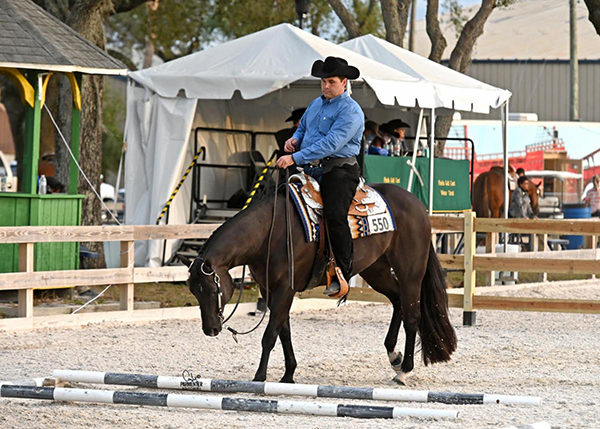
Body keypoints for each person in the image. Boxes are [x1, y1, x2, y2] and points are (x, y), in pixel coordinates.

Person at [276, 56, 364, 296]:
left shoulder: (351, 111)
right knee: (282, 203)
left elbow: (332, 143)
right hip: (312, 168)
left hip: (339, 170)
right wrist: (295, 139)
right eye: (323, 81)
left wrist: (295, 158)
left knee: (335, 215)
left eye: (331, 82)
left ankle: (342, 274)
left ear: (344, 82)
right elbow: (304, 129)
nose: (326, 86)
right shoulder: (316, 104)